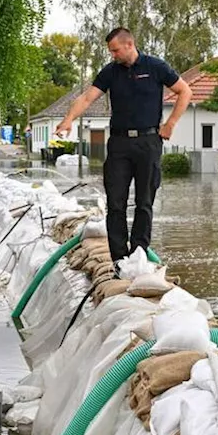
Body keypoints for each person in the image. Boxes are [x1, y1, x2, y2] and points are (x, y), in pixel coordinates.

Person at [56, 27, 192, 266]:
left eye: (115, 50)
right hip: (119, 144)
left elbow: (185, 91)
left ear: (129, 45)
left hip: (148, 142)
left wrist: (170, 123)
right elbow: (87, 98)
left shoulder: (155, 67)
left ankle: (139, 254)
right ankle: (119, 259)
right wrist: (67, 120)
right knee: (116, 202)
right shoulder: (110, 72)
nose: (113, 55)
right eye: (111, 51)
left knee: (144, 201)